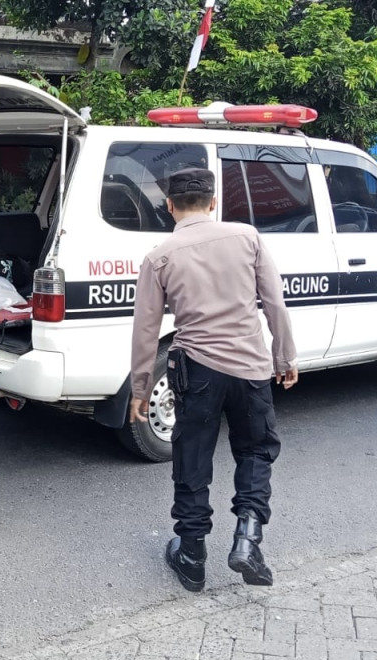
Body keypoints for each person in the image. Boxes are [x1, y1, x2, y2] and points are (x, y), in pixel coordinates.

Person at [128, 167, 298, 593]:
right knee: (256, 450)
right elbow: (274, 303)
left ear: (169, 206)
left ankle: (191, 555)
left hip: (196, 370)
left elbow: (146, 330)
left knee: (193, 458)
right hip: (251, 367)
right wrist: (285, 357)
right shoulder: (247, 238)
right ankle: (247, 538)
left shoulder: (159, 256)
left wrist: (140, 389)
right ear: (213, 202)